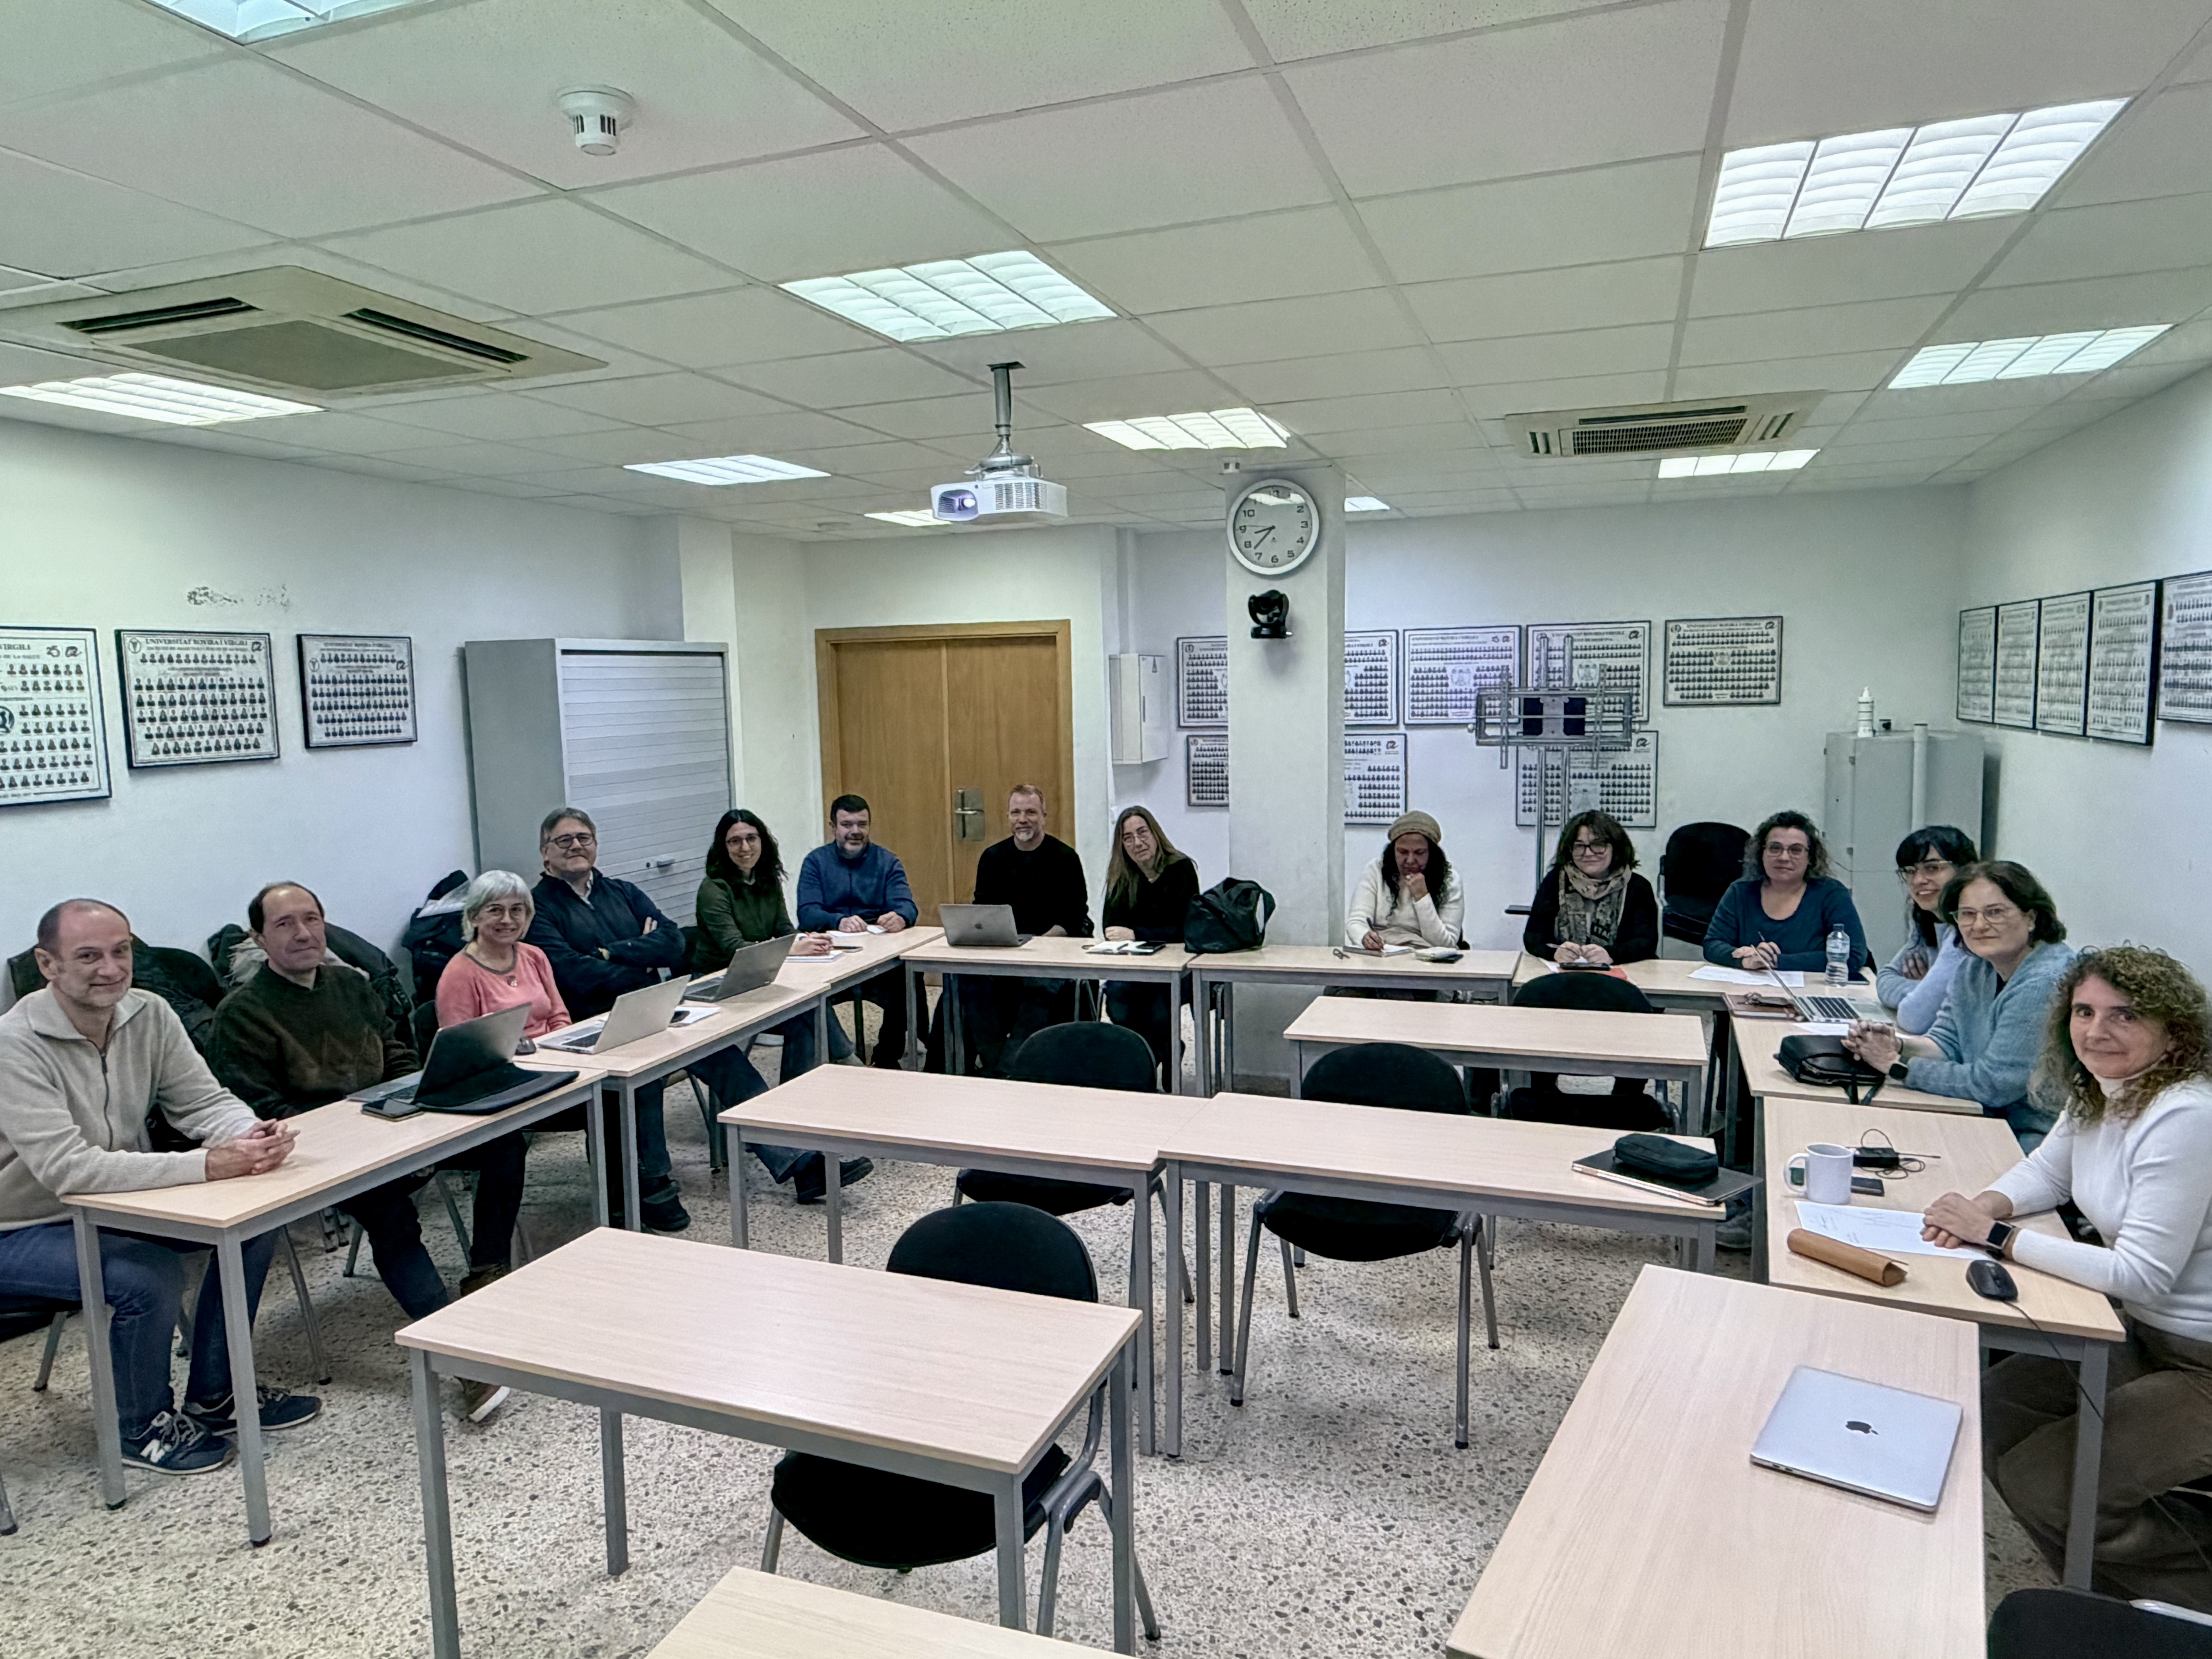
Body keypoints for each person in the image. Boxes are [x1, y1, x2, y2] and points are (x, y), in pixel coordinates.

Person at [1921, 946, 2212, 1608]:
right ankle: (2104, 1586)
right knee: (1991, 1415)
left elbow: (2142, 1274)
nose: (2095, 1029)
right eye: (2083, 1010)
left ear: (2174, 1028)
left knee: (2048, 1485)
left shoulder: (2187, 1116)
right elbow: (2048, 1172)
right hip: (2141, 1333)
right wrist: (1985, 1205)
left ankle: (2174, 1602)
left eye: (2123, 1014)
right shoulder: (2103, 1089)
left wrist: (1997, 1237)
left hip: (2200, 1360)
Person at [0, 899, 315, 1476]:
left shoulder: (149, 1012)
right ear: (48, 964)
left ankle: (216, 1394)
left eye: (121, 951)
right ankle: (139, 1427)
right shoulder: (13, 1044)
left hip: (113, 1201)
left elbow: (203, 1101)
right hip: (21, 1225)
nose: (112, 968)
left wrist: (248, 1135)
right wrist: (206, 1165)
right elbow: (69, 1170)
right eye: (88, 956)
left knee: (252, 1224)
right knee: (144, 1273)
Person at [209, 882, 522, 1423]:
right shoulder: (242, 1014)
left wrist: (418, 1114)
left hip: (392, 1125)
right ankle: (458, 1354)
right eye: (285, 924)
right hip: (318, 1154)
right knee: (390, 1213)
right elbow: (261, 1111)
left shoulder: (351, 985)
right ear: (259, 938)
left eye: (312, 918)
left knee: (502, 1143)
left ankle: (485, 1273)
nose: (304, 933)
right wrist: (365, 1136)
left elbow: (398, 1053)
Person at [526, 807, 785, 1223]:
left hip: (654, 1007)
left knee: (725, 1058)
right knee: (643, 1074)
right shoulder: (537, 908)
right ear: (545, 853)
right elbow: (572, 973)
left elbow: (672, 943)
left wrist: (611, 952)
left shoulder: (623, 891)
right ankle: (653, 1185)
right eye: (564, 841)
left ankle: (795, 1158)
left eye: (584, 838)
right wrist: (635, 954)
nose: (576, 846)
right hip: (594, 1025)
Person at [693, 809, 869, 1200]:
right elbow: (734, 949)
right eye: (735, 841)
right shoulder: (714, 888)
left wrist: (805, 944)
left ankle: (795, 1125)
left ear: (763, 841)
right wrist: (794, 946)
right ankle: (803, 1159)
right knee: (732, 1065)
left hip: (760, 984)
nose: (745, 847)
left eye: (751, 838)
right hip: (717, 993)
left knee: (810, 1013)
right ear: (723, 848)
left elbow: (783, 932)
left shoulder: (767, 879)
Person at [1845, 861, 2076, 1146]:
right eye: (1967, 914)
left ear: (2031, 918)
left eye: (1995, 912)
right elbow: (1946, 1043)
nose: (1979, 926)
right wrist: (1895, 1044)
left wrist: (1896, 1066)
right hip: (1988, 1118)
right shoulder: (1975, 967)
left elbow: (1992, 1085)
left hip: (2038, 1138)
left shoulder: (2046, 981)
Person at [950, 784, 1093, 1075]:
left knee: (1039, 986)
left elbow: (1073, 918)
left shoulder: (1064, 858)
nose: (1023, 819)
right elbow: (983, 910)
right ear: (1008, 817)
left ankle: (1009, 1070)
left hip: (1049, 953)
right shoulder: (992, 857)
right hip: (1003, 950)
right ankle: (992, 1063)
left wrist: (1038, 944)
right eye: (1016, 812)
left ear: (1044, 817)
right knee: (967, 981)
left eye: (1030, 812)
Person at [795, 795, 917, 1069]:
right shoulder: (815, 862)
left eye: (862, 824)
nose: (855, 832)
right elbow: (807, 913)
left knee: (908, 976)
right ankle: (833, 1056)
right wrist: (838, 920)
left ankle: (888, 1056)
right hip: (829, 953)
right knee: (807, 991)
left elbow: (907, 905)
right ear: (833, 828)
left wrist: (900, 917)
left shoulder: (887, 861)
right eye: (847, 824)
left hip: (879, 957)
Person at [1701, 810, 1869, 976]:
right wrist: (1745, 960)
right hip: (1750, 993)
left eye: (1795, 850)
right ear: (1762, 853)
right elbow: (1713, 944)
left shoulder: (1831, 894)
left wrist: (1776, 961)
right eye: (1775, 848)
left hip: (1813, 994)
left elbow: (1853, 956)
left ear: (1810, 857)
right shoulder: (1741, 891)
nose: (1784, 857)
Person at [1101, 805, 1200, 1076]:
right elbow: (1111, 927)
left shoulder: (1181, 869)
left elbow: (1184, 929)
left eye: (1142, 833)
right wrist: (1138, 934)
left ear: (1155, 835)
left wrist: (1138, 934)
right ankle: (1152, 1054)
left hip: (1176, 964)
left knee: (1157, 1004)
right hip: (1133, 965)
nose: (1137, 842)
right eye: (1128, 837)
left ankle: (1156, 1056)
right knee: (1117, 999)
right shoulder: (1122, 876)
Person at [435, 870, 570, 1038]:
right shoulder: (459, 974)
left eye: (516, 910)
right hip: (498, 1061)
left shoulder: (535, 956)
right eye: (495, 911)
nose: (507, 919)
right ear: (474, 917)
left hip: (549, 1055)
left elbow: (559, 1018)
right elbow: (460, 1045)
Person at [1522, 809, 1658, 967]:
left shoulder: (1638, 886)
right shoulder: (1554, 881)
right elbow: (1533, 937)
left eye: (1598, 845)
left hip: (1621, 975)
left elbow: (1646, 943)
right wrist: (1555, 952)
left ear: (1615, 848)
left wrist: (1611, 954)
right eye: (1579, 846)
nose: (1588, 853)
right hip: (1564, 976)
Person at [1875, 825, 1978, 1035]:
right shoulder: (1929, 919)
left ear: (1964, 870)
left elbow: (1915, 1017)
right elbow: (1885, 980)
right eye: (1910, 872)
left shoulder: (1969, 928)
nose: (1918, 880)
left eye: (1933, 868)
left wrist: (1928, 994)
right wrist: (1926, 991)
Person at [1346, 811, 1465, 952]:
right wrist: (1364, 937)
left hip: (1426, 956)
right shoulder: (1376, 870)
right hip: (1382, 952)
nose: (1410, 861)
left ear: (1432, 853)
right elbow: (1356, 922)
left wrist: (1422, 897)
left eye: (1419, 853)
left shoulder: (1450, 880)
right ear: (1393, 851)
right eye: (1402, 852)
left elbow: (1446, 944)